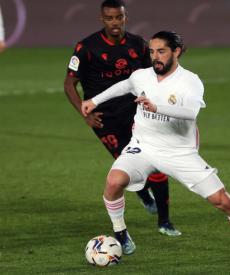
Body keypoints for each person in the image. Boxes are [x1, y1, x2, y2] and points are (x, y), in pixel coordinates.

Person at [81, 30, 230, 260]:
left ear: (176, 51)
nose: (155, 57)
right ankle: (120, 233)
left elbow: (190, 113)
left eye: (161, 51)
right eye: (152, 52)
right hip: (143, 146)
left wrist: (156, 107)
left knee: (221, 200)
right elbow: (125, 85)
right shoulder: (142, 75)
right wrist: (94, 101)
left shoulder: (189, 81)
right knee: (114, 182)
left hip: (179, 152)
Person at [63, 0, 180, 248]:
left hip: (137, 114)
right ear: (101, 19)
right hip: (104, 120)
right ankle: (140, 193)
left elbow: (155, 77)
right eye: (109, 18)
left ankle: (165, 221)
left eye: (119, 17)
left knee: (157, 167)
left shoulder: (138, 44)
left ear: (125, 17)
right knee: (126, 166)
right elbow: (69, 84)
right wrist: (85, 115)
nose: (115, 23)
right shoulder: (86, 48)